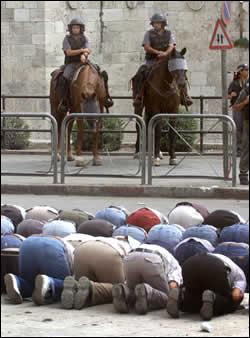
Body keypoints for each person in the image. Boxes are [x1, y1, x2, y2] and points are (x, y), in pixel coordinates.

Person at [61, 235, 140, 310]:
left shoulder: (110, 238)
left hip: (81, 250)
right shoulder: (135, 245)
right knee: (120, 289)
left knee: (82, 282)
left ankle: (76, 287)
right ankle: (91, 288)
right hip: (108, 253)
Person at [132, 13, 193, 108]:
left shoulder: (169, 33)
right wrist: (157, 52)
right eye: (154, 23)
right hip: (152, 60)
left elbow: (172, 45)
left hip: (167, 59)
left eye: (158, 23)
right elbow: (147, 47)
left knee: (180, 70)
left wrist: (165, 53)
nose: (156, 24)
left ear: (163, 23)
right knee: (142, 72)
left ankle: (185, 95)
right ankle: (139, 96)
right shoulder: (148, 34)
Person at [166, 252, 246, 320]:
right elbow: (236, 294)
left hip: (190, 263)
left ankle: (181, 296)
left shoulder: (226, 260)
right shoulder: (240, 273)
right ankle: (214, 298)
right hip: (214, 267)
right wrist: (236, 298)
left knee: (193, 295)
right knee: (227, 300)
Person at [58, 17, 113, 112]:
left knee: (100, 72)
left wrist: (84, 54)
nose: (75, 29)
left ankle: (106, 97)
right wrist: (82, 50)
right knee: (64, 77)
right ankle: (64, 100)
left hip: (83, 62)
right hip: (71, 63)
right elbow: (68, 52)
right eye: (74, 28)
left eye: (77, 28)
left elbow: (88, 50)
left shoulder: (85, 38)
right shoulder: (66, 39)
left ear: (80, 29)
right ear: (71, 29)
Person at [112, 242, 182, 314]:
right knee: (166, 297)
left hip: (130, 257)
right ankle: (146, 290)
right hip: (152, 258)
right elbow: (173, 282)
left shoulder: (150, 247)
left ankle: (123, 291)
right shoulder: (172, 259)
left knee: (132, 289)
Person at [4, 235, 74, 305]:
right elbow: (72, 269)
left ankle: (17, 282)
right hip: (52, 246)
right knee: (66, 284)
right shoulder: (73, 248)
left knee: (28, 282)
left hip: (27, 243)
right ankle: (49, 282)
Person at [228, 64, 249, 156]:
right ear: (240, 71)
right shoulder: (234, 83)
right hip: (237, 109)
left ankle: (244, 149)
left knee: (245, 129)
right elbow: (226, 95)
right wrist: (231, 95)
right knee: (238, 129)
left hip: (246, 109)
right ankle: (238, 149)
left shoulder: (247, 82)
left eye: (247, 70)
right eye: (246, 70)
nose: (247, 71)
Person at [233, 79, 249, 185]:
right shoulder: (246, 90)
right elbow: (236, 107)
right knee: (246, 148)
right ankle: (243, 174)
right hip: (248, 123)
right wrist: (246, 102)